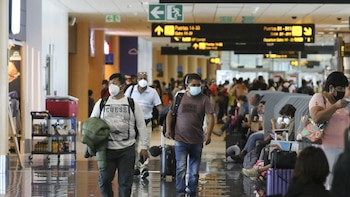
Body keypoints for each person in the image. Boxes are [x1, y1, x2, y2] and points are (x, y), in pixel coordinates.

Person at [90, 73, 149, 197]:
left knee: (125, 184)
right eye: (110, 83)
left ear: (122, 86)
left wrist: (144, 146)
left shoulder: (132, 103)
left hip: (127, 149)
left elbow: (141, 126)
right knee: (104, 180)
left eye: (114, 83)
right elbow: (92, 123)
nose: (111, 86)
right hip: (107, 149)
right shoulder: (102, 103)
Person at [165, 73, 215, 197]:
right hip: (180, 139)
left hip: (197, 140)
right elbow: (170, 113)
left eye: (199, 85)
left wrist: (208, 134)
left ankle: (192, 192)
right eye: (194, 85)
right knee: (180, 169)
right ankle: (180, 192)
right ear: (187, 86)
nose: (197, 87)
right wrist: (168, 130)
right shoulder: (179, 97)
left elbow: (211, 117)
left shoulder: (204, 99)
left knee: (193, 171)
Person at [309, 71, 350, 190]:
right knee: (328, 183)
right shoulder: (319, 97)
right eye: (340, 88)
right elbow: (317, 117)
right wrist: (335, 106)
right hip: (326, 149)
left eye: (344, 88)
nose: (342, 91)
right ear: (331, 87)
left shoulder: (344, 103)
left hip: (344, 150)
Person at [124, 72, 163, 178]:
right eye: (140, 78)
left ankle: (144, 167)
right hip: (133, 122)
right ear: (136, 79)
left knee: (145, 145)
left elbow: (159, 106)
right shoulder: (131, 90)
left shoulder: (152, 92)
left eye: (145, 78)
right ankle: (136, 166)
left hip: (146, 122)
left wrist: (163, 118)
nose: (143, 80)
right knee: (134, 145)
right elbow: (124, 104)